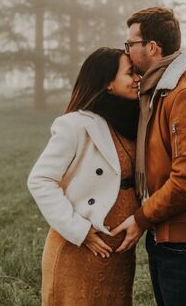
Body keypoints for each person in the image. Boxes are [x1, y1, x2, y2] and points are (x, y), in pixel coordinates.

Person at [112, 7, 186, 306]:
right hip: (169, 232)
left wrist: (141, 218)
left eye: (130, 45)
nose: (126, 52)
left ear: (152, 47)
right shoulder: (158, 90)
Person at [27, 47, 141, 306]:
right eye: (130, 73)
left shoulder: (132, 123)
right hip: (79, 247)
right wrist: (80, 231)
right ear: (108, 83)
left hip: (119, 252)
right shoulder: (75, 125)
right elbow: (40, 180)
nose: (137, 79)